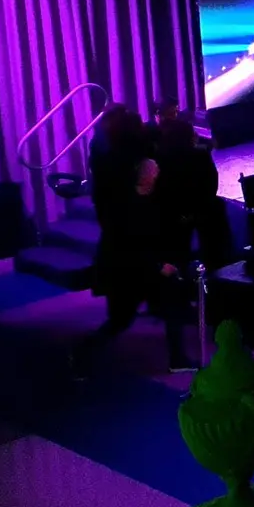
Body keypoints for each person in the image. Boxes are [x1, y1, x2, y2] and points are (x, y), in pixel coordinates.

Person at [74, 158, 196, 374]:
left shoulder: (151, 200)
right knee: (120, 320)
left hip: (143, 270)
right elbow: (128, 247)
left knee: (170, 305)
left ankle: (178, 359)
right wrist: (158, 266)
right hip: (126, 273)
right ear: (147, 177)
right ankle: (81, 353)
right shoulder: (127, 207)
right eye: (156, 171)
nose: (159, 174)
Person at [155, 116, 229, 266]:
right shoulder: (200, 155)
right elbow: (211, 183)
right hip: (199, 210)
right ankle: (218, 262)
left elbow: (162, 191)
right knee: (215, 208)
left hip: (175, 213)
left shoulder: (161, 159)